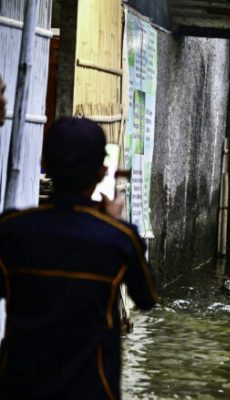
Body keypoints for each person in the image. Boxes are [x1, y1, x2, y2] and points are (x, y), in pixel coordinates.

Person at [0, 117, 158, 399]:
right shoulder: (118, 240)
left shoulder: (11, 230)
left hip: (18, 387)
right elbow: (148, 297)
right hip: (90, 390)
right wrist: (113, 222)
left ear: (44, 165)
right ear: (101, 172)